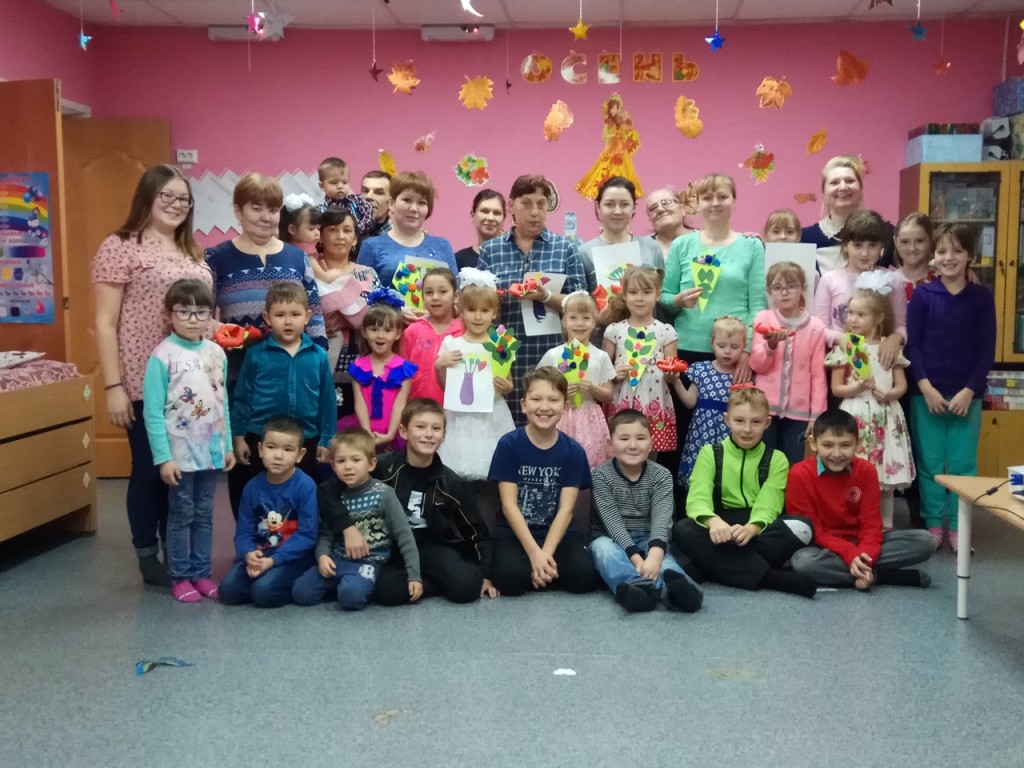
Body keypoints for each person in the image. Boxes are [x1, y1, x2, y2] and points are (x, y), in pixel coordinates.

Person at [92, 164, 212, 587]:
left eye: (184, 199)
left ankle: (175, 549)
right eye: (167, 196)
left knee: (182, 472)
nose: (177, 205)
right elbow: (105, 322)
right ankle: (147, 553)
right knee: (149, 468)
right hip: (145, 379)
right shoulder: (121, 246)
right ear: (147, 197)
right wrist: (113, 387)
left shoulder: (192, 251)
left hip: (191, 384)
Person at [672, 388, 817, 597]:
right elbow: (697, 497)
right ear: (727, 420)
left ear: (767, 423)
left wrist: (752, 528)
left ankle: (711, 566)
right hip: (721, 524)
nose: (747, 429)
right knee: (682, 529)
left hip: (757, 526)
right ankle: (770, 578)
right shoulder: (710, 453)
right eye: (739, 421)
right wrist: (713, 521)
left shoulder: (777, 459)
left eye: (756, 422)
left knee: (803, 527)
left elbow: (770, 503)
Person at [142, 280, 234, 602]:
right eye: (184, 311)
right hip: (180, 455)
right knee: (182, 514)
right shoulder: (162, 356)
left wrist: (227, 446)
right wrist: (163, 458)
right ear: (170, 315)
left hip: (211, 451)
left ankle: (201, 574)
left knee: (205, 513)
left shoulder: (216, 353)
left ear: (211, 315)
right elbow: (153, 413)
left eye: (201, 312)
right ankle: (180, 576)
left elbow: (222, 403)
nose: (193, 319)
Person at [906, 223, 996, 552]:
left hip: (966, 397)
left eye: (957, 251)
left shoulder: (981, 298)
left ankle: (959, 527)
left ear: (970, 255)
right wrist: (925, 387)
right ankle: (933, 524)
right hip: (926, 395)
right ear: (934, 255)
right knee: (929, 463)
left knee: (962, 464)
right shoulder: (923, 296)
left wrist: (970, 390)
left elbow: (986, 350)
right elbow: (913, 347)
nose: (949, 257)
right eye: (942, 251)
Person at [478, 174, 590, 425]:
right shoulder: (491, 250)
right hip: (505, 359)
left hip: (552, 355)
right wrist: (497, 297)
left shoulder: (565, 248)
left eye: (541, 204)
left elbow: (582, 303)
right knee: (507, 429)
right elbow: (479, 302)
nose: (535, 212)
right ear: (511, 206)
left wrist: (546, 296)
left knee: (550, 426)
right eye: (526, 203)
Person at [787, 410, 934, 589]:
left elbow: (871, 524)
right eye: (827, 445)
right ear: (813, 443)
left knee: (926, 541)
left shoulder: (867, 471)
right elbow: (811, 531)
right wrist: (849, 553)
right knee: (802, 562)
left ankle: (857, 570)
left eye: (845, 445)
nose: (836, 453)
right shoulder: (799, 474)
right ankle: (884, 576)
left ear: (858, 444)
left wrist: (863, 553)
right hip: (822, 547)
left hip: (860, 542)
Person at [372, 399, 497, 604]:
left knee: (466, 589)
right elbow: (339, 489)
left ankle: (433, 580)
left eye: (436, 428)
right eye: (420, 427)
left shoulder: (451, 481)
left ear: (444, 435)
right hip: (396, 547)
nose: (429, 434)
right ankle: (434, 583)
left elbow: (476, 531)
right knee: (386, 591)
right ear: (403, 432)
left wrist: (485, 574)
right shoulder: (383, 468)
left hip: (433, 546)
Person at [487, 368, 598, 596]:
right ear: (523, 404)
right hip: (515, 533)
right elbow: (509, 505)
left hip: (558, 533)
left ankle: (542, 571)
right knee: (510, 580)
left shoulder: (574, 451)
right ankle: (543, 572)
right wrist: (534, 553)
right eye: (536, 399)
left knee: (583, 578)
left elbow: (566, 510)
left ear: (565, 406)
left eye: (553, 400)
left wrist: (544, 554)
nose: (544, 407)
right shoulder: (508, 445)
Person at [230, 282, 335, 513]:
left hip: (306, 440)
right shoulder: (256, 354)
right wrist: (238, 436)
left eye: (295, 314)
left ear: (307, 317)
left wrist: (327, 439)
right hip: (260, 438)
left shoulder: (317, 355)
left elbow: (327, 401)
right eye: (280, 315)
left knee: (301, 502)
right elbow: (242, 398)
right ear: (267, 318)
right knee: (257, 500)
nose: (288, 321)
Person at [292, 428, 422, 610]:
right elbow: (326, 533)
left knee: (350, 597)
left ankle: (352, 584)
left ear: (371, 464)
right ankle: (344, 583)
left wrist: (414, 576)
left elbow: (404, 535)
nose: (348, 467)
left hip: (370, 561)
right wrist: (322, 556)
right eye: (341, 461)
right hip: (338, 559)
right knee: (301, 592)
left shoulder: (384, 494)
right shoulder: (335, 497)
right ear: (333, 466)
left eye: (356, 460)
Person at [590, 410, 704, 613]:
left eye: (641, 438)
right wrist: (637, 559)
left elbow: (662, 519)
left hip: (649, 536)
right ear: (610, 444)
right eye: (624, 438)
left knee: (666, 564)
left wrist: (654, 556)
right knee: (604, 551)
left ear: (651, 443)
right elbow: (612, 523)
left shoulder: (661, 475)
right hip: (611, 537)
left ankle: (682, 594)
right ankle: (639, 590)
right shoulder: (601, 476)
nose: (633, 445)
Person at [825, 277, 915, 529]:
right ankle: (854, 522)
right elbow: (836, 388)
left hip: (885, 415)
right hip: (856, 413)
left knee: (883, 475)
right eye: (850, 313)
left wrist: (890, 394)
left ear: (878, 318)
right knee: (855, 472)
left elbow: (901, 385)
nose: (853, 319)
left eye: (861, 314)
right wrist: (856, 388)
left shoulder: (888, 348)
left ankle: (885, 525)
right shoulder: (847, 347)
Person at [660, 174, 764, 387]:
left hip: (734, 353)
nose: (715, 203)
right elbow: (664, 296)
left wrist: (747, 351)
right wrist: (678, 301)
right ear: (697, 204)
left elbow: (758, 307)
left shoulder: (752, 246)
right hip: (687, 348)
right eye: (707, 198)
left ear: (734, 201)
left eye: (722, 196)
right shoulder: (681, 245)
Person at [219, 417, 319, 607]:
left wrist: (273, 561)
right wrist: (248, 555)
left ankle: (288, 583)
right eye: (271, 447)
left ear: (300, 455)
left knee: (263, 592)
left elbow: (307, 535)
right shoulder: (252, 487)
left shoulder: (306, 487)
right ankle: (264, 578)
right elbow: (243, 532)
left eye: (288, 450)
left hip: (293, 557)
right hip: (261, 554)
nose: (278, 456)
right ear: (260, 450)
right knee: (228, 590)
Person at [434, 269, 515, 480]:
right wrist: (439, 366)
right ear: (461, 311)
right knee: (456, 474)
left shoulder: (500, 345)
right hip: (460, 417)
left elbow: (508, 385)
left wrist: (506, 387)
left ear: (494, 313)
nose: (478, 317)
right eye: (471, 310)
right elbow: (445, 387)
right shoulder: (451, 344)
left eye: (485, 310)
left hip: (492, 416)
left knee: (492, 472)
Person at [750, 261, 827, 464]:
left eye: (791, 286)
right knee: (763, 464)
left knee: (792, 465)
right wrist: (770, 346)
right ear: (769, 291)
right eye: (777, 288)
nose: (784, 293)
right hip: (764, 410)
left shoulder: (815, 327)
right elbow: (757, 365)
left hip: (799, 415)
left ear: (803, 288)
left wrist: (816, 416)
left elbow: (818, 376)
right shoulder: (763, 319)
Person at [603, 266, 682, 455]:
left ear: (657, 295)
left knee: (650, 452)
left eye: (646, 292)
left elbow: (673, 371)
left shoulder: (666, 331)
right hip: (622, 399)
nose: (640, 298)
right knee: (619, 449)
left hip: (654, 399)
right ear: (624, 295)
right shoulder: (614, 330)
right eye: (633, 292)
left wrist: (672, 375)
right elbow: (602, 372)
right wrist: (614, 375)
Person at [813, 210, 907, 366]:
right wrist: (841, 339)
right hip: (841, 365)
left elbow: (901, 326)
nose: (865, 253)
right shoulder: (829, 280)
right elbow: (819, 328)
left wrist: (895, 339)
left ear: (882, 247)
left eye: (872, 245)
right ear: (845, 246)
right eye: (857, 245)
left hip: (881, 363)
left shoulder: (893, 280)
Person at [311, 208, 380, 417]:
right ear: (320, 236)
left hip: (360, 364)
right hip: (317, 364)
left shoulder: (367, 273)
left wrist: (347, 318)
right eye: (333, 230)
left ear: (355, 239)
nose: (340, 236)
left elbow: (379, 317)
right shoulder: (309, 270)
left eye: (347, 230)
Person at [537, 291, 614, 468]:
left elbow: (608, 395)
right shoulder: (553, 355)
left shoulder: (600, 356)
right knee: (557, 461)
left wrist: (593, 388)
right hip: (558, 416)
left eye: (586, 318)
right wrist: (559, 392)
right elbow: (539, 388)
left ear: (594, 322)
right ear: (564, 321)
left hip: (589, 420)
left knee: (589, 463)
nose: (579, 323)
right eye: (573, 317)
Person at [342, 294, 417, 451]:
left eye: (388, 330)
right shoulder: (358, 367)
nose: (380, 336)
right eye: (374, 330)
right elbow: (360, 404)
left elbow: (400, 405)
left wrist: (390, 435)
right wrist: (367, 434)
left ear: (397, 334)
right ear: (364, 332)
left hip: (394, 431)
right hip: (363, 430)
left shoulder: (404, 369)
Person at [357, 170, 457, 288]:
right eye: (407, 200)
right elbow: (361, 293)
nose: (414, 208)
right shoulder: (371, 246)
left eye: (422, 203)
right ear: (391, 204)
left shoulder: (442, 246)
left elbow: (455, 291)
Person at [677, 316, 746, 485]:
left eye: (734, 347)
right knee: (699, 475)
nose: (727, 351)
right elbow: (690, 402)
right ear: (712, 343)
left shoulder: (742, 375)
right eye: (721, 346)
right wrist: (675, 381)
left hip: (729, 434)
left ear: (744, 346)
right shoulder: (701, 369)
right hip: (701, 433)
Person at [801, 155, 895, 273]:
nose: (843, 187)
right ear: (824, 193)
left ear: (860, 189)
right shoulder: (804, 239)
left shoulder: (885, 233)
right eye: (834, 182)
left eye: (850, 181)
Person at [578, 177, 665, 282]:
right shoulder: (583, 253)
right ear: (598, 207)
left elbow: (661, 289)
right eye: (609, 204)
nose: (617, 211)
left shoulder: (651, 247)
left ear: (634, 207)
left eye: (625, 204)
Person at [401, 267, 463, 404]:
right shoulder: (412, 332)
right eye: (429, 292)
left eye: (443, 291)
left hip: (456, 409)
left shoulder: (465, 331)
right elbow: (402, 376)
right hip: (418, 408)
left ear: (456, 296)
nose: (435, 297)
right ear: (423, 297)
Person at [576, 93, 643, 200]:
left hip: (621, 148)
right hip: (612, 148)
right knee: (606, 168)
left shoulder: (621, 119)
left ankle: (623, 189)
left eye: (616, 108)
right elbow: (604, 135)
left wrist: (625, 127)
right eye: (612, 108)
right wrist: (614, 135)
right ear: (609, 109)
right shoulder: (608, 121)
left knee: (624, 168)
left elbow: (628, 129)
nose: (614, 110)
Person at [317, 156, 375, 237]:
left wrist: (351, 231)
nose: (340, 186)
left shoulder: (358, 201)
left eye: (344, 182)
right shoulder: (319, 212)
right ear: (322, 186)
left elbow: (369, 220)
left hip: (360, 242)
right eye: (334, 182)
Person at [454, 189, 507, 271]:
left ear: (503, 219)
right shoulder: (458, 260)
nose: (490, 218)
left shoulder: (516, 258)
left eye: (497, 213)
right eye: (484, 211)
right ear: (473, 215)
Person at [645, 186, 696, 259]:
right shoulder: (641, 247)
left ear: (682, 209)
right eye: (653, 208)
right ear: (650, 218)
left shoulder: (705, 239)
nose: (660, 209)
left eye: (666, 203)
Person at [893, 212, 936, 298]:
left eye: (919, 241)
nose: (912, 248)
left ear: (930, 240)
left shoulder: (943, 279)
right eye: (905, 242)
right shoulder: (889, 283)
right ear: (895, 242)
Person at [278, 192, 321, 257]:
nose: (317, 233)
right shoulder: (306, 250)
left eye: (318, 228)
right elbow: (313, 264)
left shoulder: (282, 247)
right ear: (292, 229)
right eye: (311, 229)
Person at [360, 169, 393, 239]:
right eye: (365, 191)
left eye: (379, 193)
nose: (369, 196)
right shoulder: (347, 232)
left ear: (391, 202)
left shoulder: (398, 239)